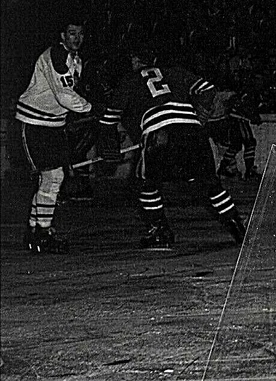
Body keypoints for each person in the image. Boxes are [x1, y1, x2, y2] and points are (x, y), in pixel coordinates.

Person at [98, 42, 246, 250]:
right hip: (193, 131)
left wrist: (109, 146)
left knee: (145, 184)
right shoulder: (175, 72)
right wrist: (200, 117)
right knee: (210, 184)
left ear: (133, 61)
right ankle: (238, 229)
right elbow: (209, 90)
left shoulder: (130, 80)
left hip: (159, 133)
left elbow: (108, 119)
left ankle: (160, 231)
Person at [16, 19, 98, 253]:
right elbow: (64, 96)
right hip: (34, 122)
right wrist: (92, 108)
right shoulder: (55, 54)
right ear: (62, 35)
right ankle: (42, 232)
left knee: (53, 178)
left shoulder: (76, 61)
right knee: (52, 177)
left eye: (81, 34)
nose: (77, 38)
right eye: (72, 33)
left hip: (54, 124)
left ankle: (35, 230)